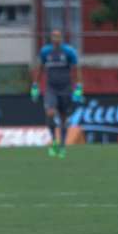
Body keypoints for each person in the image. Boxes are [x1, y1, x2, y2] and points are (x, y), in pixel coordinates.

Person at [30, 29, 83, 158]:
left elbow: (76, 70)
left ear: (61, 38)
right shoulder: (45, 52)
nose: (56, 39)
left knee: (64, 118)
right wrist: (35, 85)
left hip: (65, 89)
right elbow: (39, 69)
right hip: (51, 89)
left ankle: (63, 145)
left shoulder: (69, 52)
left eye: (58, 36)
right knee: (50, 113)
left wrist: (79, 86)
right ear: (51, 38)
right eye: (54, 36)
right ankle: (54, 141)